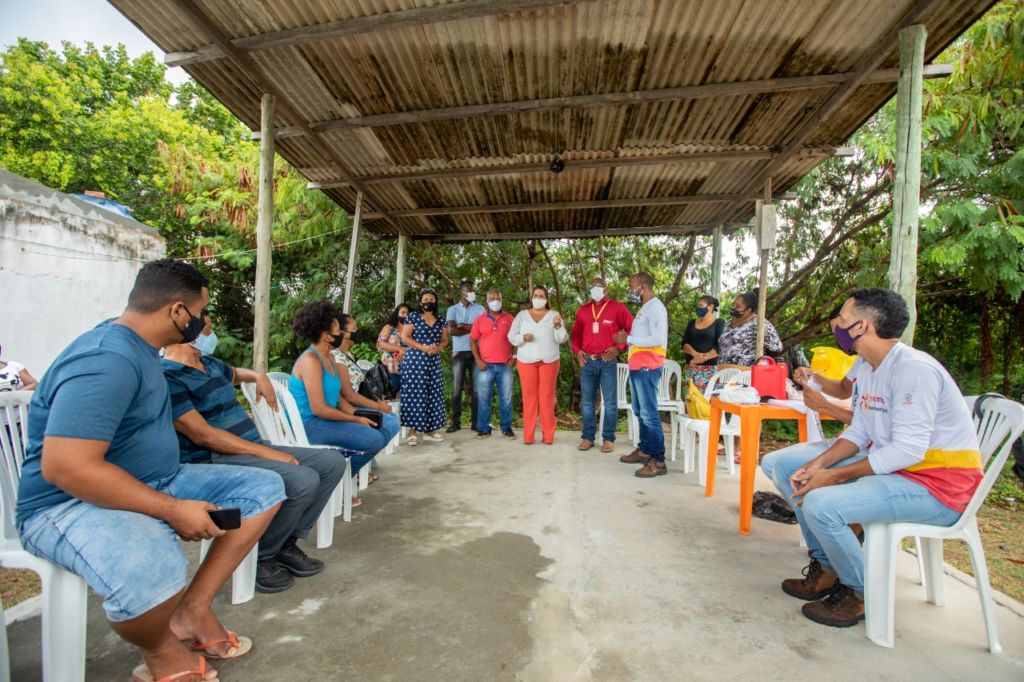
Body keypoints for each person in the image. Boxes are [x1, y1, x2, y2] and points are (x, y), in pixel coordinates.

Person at [15, 259, 284, 682]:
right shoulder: (106, 359)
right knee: (156, 563)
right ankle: (160, 649)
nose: (202, 324)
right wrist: (171, 510)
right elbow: (66, 468)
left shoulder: (141, 350)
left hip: (155, 479)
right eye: (200, 313)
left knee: (264, 489)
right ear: (179, 312)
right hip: (66, 504)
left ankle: (191, 612)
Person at [764, 289, 981, 629]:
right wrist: (818, 466)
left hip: (938, 487)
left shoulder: (913, 371)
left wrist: (833, 477)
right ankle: (828, 567)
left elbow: (908, 451)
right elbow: (859, 431)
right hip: (902, 472)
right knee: (795, 472)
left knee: (821, 502)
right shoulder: (869, 366)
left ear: (862, 326)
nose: (837, 323)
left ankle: (863, 593)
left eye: (844, 318)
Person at [162, 339, 345, 594]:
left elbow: (236, 374)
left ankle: (285, 543)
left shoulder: (208, 362)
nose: (210, 332)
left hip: (252, 444)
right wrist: (268, 453)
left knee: (331, 463)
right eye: (205, 323)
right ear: (186, 330)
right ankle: (262, 555)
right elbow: (203, 435)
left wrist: (258, 375)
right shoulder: (168, 375)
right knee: (302, 480)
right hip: (217, 456)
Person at [287, 301, 383, 476]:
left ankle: (343, 481)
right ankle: (339, 482)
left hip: (324, 420)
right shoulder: (311, 360)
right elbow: (319, 409)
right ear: (327, 335)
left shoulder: (329, 357)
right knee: (374, 440)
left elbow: (339, 399)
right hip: (309, 424)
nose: (342, 334)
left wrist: (359, 415)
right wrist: (355, 421)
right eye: (338, 330)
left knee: (378, 427)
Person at [615, 272, 669, 477]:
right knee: (639, 411)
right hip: (638, 366)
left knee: (649, 413)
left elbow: (657, 338)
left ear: (643, 287)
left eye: (632, 285)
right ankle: (645, 450)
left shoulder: (656, 308)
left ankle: (658, 460)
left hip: (648, 366)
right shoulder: (645, 308)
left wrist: (627, 338)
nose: (630, 289)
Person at [570, 277, 633, 453]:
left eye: (598, 286)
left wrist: (619, 348)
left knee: (610, 403)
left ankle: (608, 439)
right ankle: (588, 438)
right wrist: (577, 351)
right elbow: (575, 334)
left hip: (607, 361)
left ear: (606, 289)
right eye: (593, 286)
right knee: (588, 403)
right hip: (588, 362)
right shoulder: (583, 310)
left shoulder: (618, 308)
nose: (595, 289)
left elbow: (632, 329)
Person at [332, 312, 401, 460]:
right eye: (354, 328)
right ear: (343, 333)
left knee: (392, 420)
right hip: (347, 407)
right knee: (389, 423)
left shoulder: (346, 354)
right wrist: (377, 406)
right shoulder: (336, 358)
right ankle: (354, 467)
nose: (357, 332)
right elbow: (348, 395)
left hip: (355, 404)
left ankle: (367, 461)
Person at [509, 285, 568, 445]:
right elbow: (511, 336)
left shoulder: (554, 315)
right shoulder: (521, 316)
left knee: (546, 398)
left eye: (542, 296)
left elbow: (562, 338)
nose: (538, 298)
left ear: (547, 299)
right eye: (536, 295)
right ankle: (528, 436)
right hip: (526, 362)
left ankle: (548, 436)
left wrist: (557, 325)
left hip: (549, 361)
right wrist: (523, 338)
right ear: (531, 297)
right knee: (529, 399)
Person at [400, 289, 449, 445]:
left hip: (433, 361)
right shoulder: (412, 317)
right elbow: (405, 337)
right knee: (414, 393)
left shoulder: (441, 319)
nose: (429, 301)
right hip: (415, 360)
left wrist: (438, 348)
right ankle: (412, 431)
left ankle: (430, 430)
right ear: (420, 302)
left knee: (433, 393)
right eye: (426, 299)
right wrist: (424, 348)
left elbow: (445, 340)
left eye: (432, 299)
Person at [470, 289, 516, 440]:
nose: (495, 301)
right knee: (483, 399)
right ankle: (483, 429)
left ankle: (507, 428)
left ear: (502, 299)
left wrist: (514, 357)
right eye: (492, 298)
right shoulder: (480, 319)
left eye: (498, 298)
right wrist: (477, 360)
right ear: (487, 301)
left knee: (507, 399)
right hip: (485, 366)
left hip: (505, 366)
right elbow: (473, 341)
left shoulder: (510, 319)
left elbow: (517, 339)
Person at [445, 280, 485, 432]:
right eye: (468, 291)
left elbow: (480, 329)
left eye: (472, 290)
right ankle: (455, 423)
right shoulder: (452, 309)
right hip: (459, 352)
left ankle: (476, 423)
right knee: (457, 389)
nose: (471, 293)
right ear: (461, 293)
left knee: (476, 389)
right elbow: (451, 331)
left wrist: (462, 325)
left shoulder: (480, 309)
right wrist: (472, 328)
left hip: (477, 353)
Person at [717, 291, 784, 368]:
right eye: (733, 304)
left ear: (749, 310)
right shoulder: (729, 322)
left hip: (745, 374)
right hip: (723, 372)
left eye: (738, 306)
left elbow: (776, 348)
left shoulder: (760, 324)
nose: (733, 307)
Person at [681, 295, 726, 394]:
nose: (698, 308)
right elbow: (685, 343)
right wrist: (696, 355)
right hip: (692, 367)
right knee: (691, 399)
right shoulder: (692, 323)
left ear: (710, 307)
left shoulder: (719, 323)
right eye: (698, 305)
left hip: (710, 369)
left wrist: (704, 358)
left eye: (701, 305)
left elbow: (721, 346)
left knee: (707, 400)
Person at [378, 303, 410, 394]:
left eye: (407, 313)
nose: (405, 315)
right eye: (403, 312)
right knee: (387, 396)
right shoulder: (389, 327)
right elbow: (381, 344)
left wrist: (405, 352)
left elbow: (417, 347)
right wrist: (400, 349)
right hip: (389, 368)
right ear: (397, 314)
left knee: (406, 400)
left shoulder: (412, 331)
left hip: (408, 369)